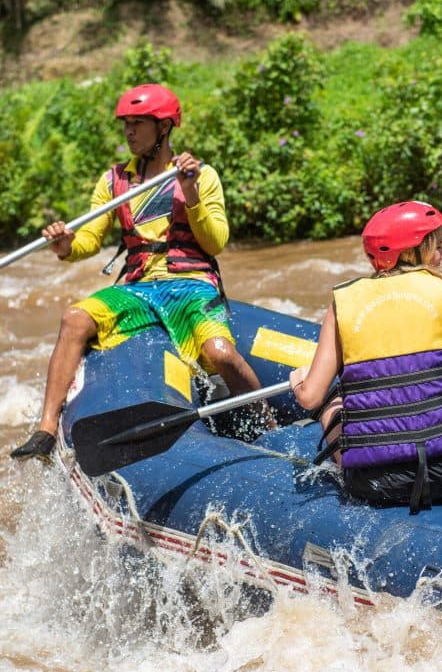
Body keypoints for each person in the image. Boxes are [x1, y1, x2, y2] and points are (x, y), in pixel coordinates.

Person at [11, 83, 270, 463]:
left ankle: (265, 424)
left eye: (137, 124)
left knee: (221, 354)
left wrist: (191, 193)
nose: (129, 132)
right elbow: (89, 241)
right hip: (139, 288)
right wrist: (65, 245)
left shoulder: (201, 175)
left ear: (163, 128)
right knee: (74, 318)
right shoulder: (113, 181)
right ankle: (46, 428)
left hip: (192, 286)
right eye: (126, 124)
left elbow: (215, 242)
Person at [289, 201, 442, 515]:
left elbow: (310, 398)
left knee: (333, 406)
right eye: (437, 248)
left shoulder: (342, 303)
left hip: (373, 481)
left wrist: (298, 382)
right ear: (412, 253)